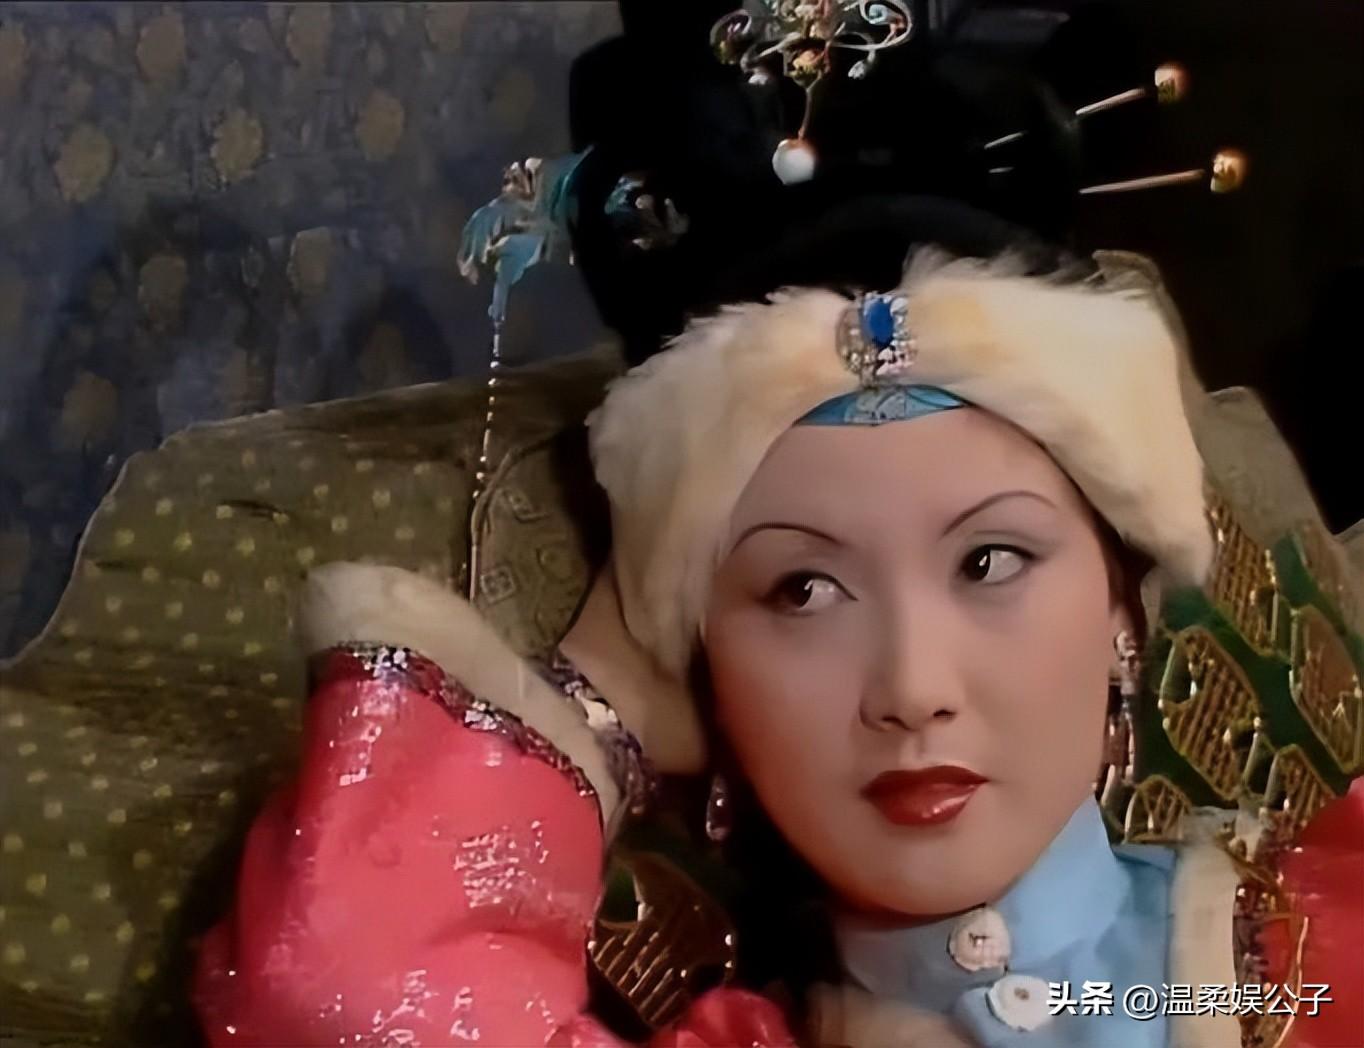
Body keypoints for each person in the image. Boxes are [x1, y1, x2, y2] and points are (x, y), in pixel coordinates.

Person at [190, 248, 1362, 1047]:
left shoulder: (1311, 933)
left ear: (1121, 617)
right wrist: (603, 697)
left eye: (989, 561)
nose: (910, 688)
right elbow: (336, 994)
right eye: (802, 590)